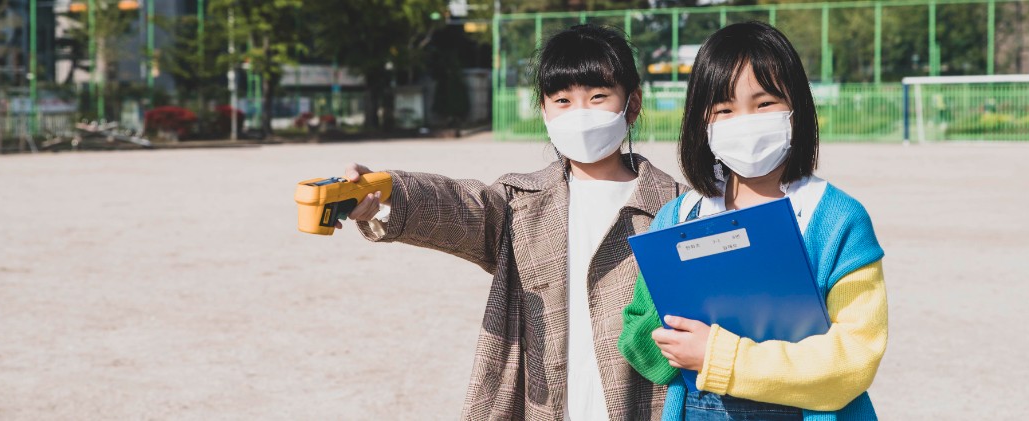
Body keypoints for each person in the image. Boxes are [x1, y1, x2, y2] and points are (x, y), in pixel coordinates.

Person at [336, 24, 684, 420]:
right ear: (545, 112)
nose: (580, 114)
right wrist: (386, 195)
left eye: (598, 97)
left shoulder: (679, 210)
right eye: (563, 100)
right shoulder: (520, 203)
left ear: (632, 104)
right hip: (541, 406)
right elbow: (457, 206)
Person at [618, 21, 887, 421]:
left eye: (764, 104)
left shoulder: (836, 219)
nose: (744, 122)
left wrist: (718, 356)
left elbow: (854, 359)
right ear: (702, 123)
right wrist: (672, 337)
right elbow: (637, 334)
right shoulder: (678, 217)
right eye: (724, 110)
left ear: (796, 108)